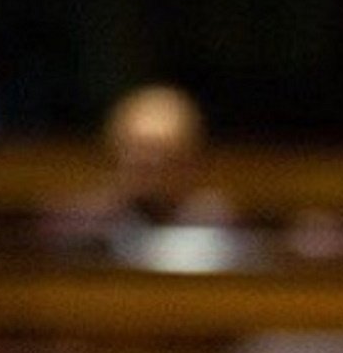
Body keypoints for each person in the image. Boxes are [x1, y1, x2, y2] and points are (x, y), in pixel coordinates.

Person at [42, 85, 249, 271]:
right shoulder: (79, 225)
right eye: (137, 151)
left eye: (163, 153)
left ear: (190, 159)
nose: (150, 164)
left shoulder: (218, 226)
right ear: (114, 153)